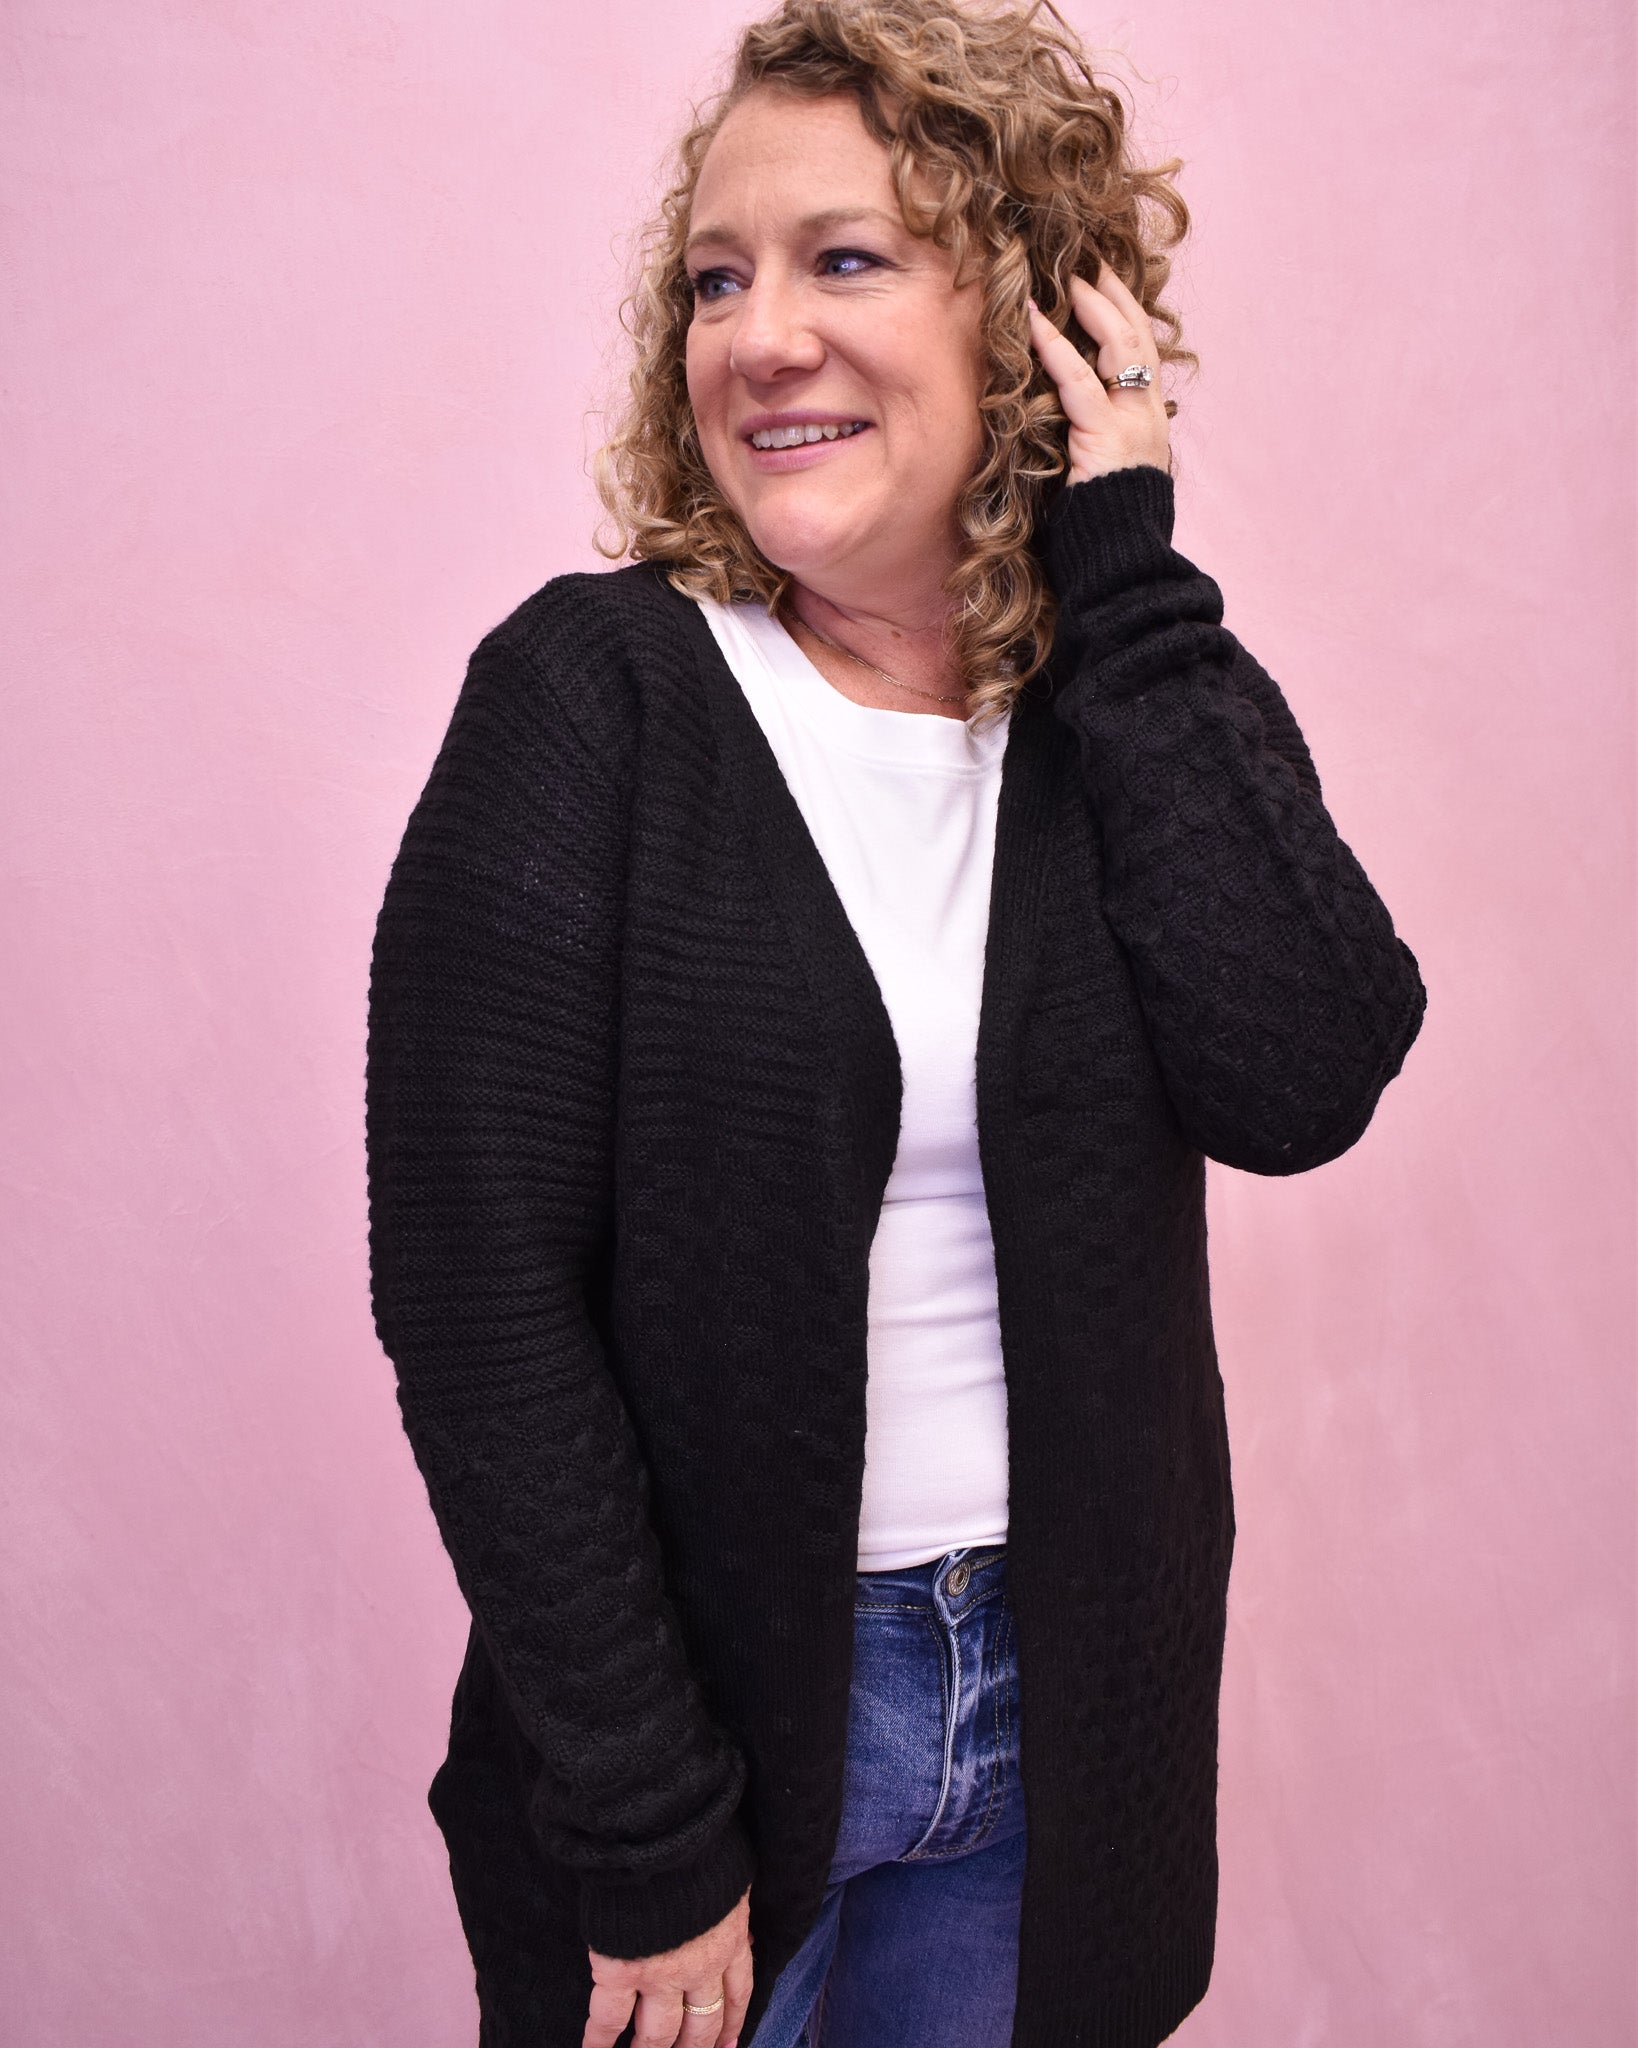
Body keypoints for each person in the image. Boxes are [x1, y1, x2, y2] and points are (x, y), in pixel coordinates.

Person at [363, 2, 1427, 2044]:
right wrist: (651, 1825)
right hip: (706, 1733)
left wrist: (1122, 569)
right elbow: (478, 1303)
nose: (759, 334)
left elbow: (1303, 1072)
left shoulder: (1119, 709)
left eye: (846, 259)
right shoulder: (593, 701)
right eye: (716, 276)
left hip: (1058, 1728)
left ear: (1036, 314)